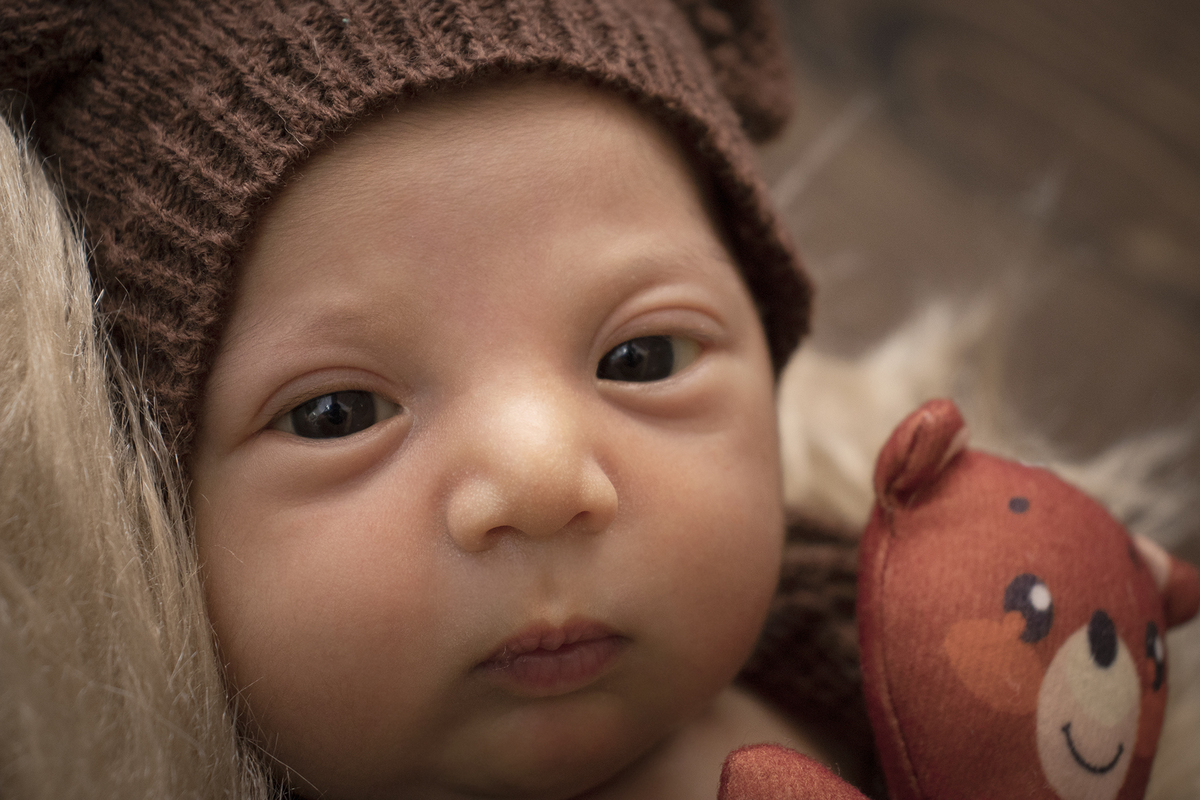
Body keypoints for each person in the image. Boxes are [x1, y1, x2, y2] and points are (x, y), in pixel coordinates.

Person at [0, 2, 868, 797]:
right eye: (337, 414)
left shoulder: (891, 631)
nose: (541, 480)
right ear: (132, 530)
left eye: (640, 359)